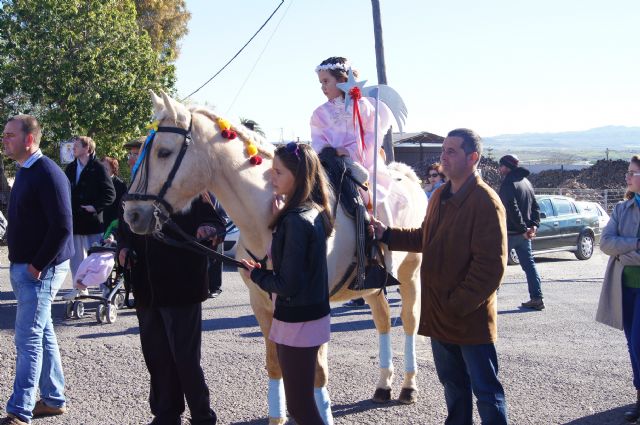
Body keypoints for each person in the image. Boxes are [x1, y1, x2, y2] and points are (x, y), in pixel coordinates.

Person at [371, 129, 509, 424]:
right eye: (443, 150)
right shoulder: (439, 196)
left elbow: (491, 268)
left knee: (486, 392)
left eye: (451, 151)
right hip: (440, 317)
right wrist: (388, 234)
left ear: (473, 158)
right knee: (454, 388)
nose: (443, 156)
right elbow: (425, 237)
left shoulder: (486, 202)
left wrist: (456, 305)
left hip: (469, 318)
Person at [118, 141, 225, 424]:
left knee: (185, 359)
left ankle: (202, 416)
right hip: (146, 287)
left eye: (138, 154)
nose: (133, 160)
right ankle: (166, 413)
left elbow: (217, 222)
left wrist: (210, 229)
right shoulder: (134, 191)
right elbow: (125, 228)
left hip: (181, 286)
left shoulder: (188, 186)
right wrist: (123, 247)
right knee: (156, 355)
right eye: (130, 155)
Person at [241, 142, 334, 425]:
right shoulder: (313, 210)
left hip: (297, 321)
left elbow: (287, 284)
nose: (272, 178)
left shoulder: (295, 220)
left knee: (299, 407)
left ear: (298, 176)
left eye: (278, 172)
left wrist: (255, 275)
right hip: (310, 316)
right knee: (302, 404)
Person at [1, 115, 74, 425]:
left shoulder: (47, 172)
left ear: (29, 139)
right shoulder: (26, 171)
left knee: (27, 338)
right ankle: (54, 399)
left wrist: (36, 265)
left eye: (9, 135)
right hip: (26, 268)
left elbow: (62, 227)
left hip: (40, 271)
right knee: (41, 334)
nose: (4, 139)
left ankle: (20, 410)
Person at [310, 56, 396, 223]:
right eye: (321, 83)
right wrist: (329, 152)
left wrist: (349, 152)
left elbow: (372, 136)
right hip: (332, 164)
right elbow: (317, 141)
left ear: (343, 79)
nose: (323, 87)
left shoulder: (364, 107)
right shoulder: (319, 114)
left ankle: (378, 239)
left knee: (373, 198)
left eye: (326, 81)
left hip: (363, 163)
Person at [597, 155, 640, 423]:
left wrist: (623, 251)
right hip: (625, 289)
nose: (627, 177)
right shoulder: (622, 209)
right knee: (632, 345)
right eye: (628, 172)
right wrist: (635, 244)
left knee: (638, 342)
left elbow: (616, 247)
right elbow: (605, 243)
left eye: (632, 172)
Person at [63, 136, 115, 299]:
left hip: (93, 223)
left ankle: (105, 290)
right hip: (76, 222)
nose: (73, 149)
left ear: (87, 149)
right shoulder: (70, 168)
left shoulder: (98, 168)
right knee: (76, 260)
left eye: (76, 146)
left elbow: (110, 194)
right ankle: (79, 289)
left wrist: (95, 207)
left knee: (98, 258)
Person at [498, 154, 544, 311]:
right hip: (524, 233)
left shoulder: (508, 183)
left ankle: (489, 301)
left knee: (497, 266)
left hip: (511, 233)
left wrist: (524, 229)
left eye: (501, 165)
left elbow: (511, 208)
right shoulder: (526, 183)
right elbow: (536, 207)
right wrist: (534, 226)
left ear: (507, 167)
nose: (499, 168)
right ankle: (537, 298)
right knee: (529, 266)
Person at [100, 156, 128, 234]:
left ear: (113, 169)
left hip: (112, 225)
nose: (102, 170)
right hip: (98, 225)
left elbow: (123, 206)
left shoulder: (120, 185)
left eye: (105, 168)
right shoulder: (96, 182)